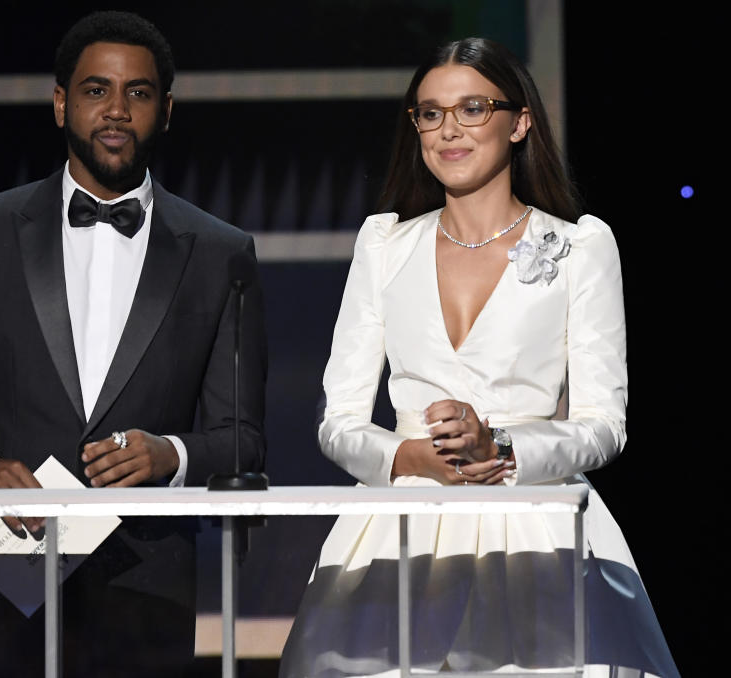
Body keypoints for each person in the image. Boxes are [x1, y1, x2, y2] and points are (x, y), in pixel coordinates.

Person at [279, 38, 678, 677]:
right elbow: (339, 422)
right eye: (430, 114)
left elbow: (605, 426)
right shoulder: (384, 246)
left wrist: (502, 448)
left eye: (472, 109)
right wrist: (408, 456)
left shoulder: (579, 248)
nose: (448, 130)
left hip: (534, 530)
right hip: (401, 528)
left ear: (520, 122)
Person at [0, 11, 266, 677]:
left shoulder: (219, 252)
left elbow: (243, 438)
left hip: (147, 585)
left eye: (139, 94)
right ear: (61, 102)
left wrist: (169, 455)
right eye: (96, 90)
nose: (117, 111)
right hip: (1, 567)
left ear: (167, 110)